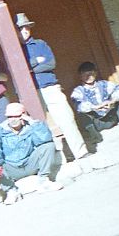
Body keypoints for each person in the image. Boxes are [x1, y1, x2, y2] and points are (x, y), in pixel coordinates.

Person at [17, 13, 90, 163]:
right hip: (33, 92)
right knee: (39, 126)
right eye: (20, 28)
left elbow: (51, 63)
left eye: (26, 27)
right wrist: (37, 61)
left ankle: (80, 151)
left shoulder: (40, 44)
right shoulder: (16, 51)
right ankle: (56, 160)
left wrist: (31, 68)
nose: (24, 31)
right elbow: (20, 69)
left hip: (50, 87)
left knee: (67, 119)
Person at [0, 102, 63, 203]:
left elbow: (45, 139)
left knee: (48, 146)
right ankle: (11, 191)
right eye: (9, 117)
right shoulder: (0, 130)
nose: (12, 119)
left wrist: (33, 122)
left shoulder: (31, 126)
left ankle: (44, 182)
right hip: (12, 168)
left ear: (23, 116)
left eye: (16, 116)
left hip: (29, 163)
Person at [71, 61, 119, 150]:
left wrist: (112, 101)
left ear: (95, 73)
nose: (89, 77)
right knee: (81, 112)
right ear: (80, 76)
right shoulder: (78, 90)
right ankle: (95, 136)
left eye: (91, 73)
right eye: (85, 74)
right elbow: (78, 104)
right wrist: (95, 107)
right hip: (97, 122)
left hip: (111, 117)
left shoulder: (104, 84)